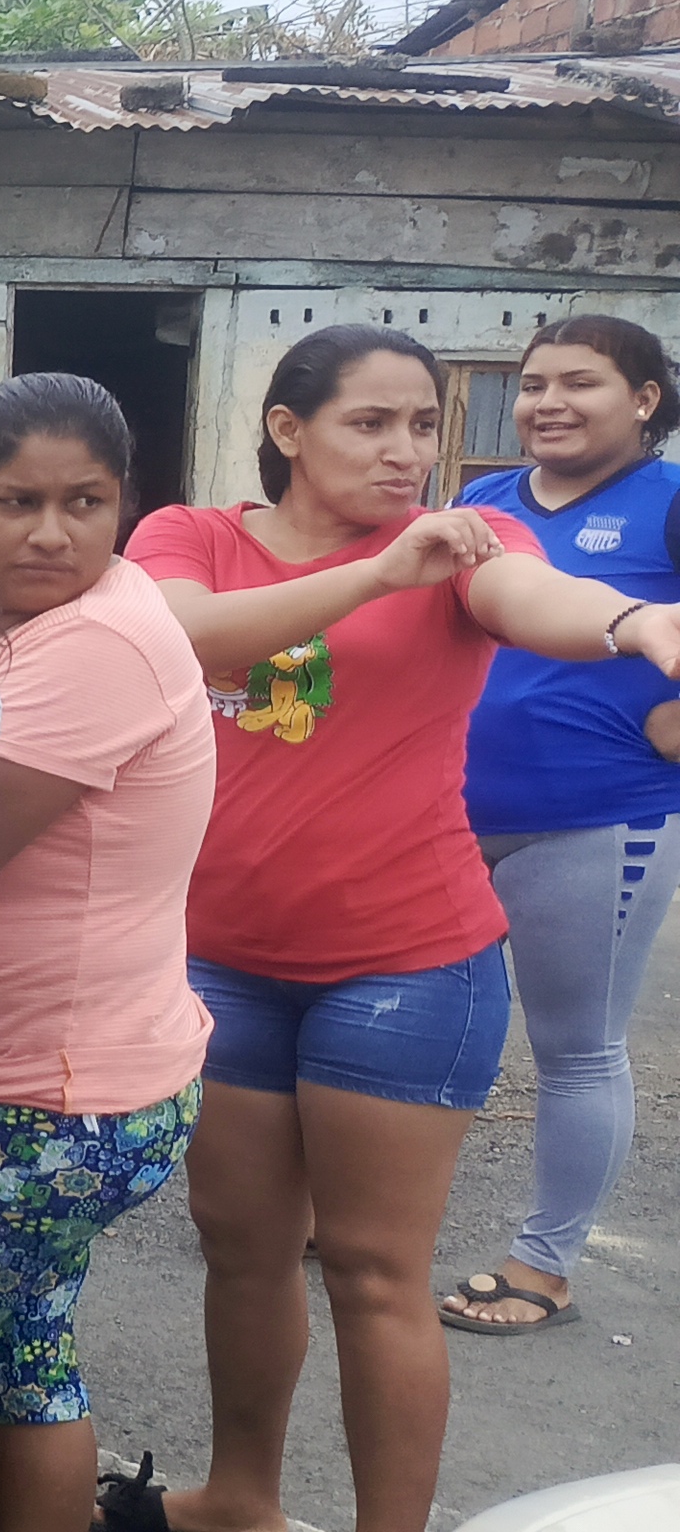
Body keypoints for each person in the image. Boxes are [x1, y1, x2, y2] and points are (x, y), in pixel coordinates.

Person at [107, 324, 680, 1532]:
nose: (406, 451)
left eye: (424, 425)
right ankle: (241, 1501)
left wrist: (634, 622)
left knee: (374, 1273)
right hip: (219, 965)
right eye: (371, 423)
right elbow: (182, 635)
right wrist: (377, 575)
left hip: (408, 968)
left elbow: (536, 595)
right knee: (244, 1255)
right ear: (287, 430)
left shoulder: (467, 541)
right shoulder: (191, 536)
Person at [0, 374, 216, 1532]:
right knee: (21, 1358)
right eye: (17, 501)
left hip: (28, 1099)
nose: (52, 532)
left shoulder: (105, 638)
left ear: (125, 498)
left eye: (84, 502)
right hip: (71, 1084)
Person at [444, 316, 680, 1339]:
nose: (547, 402)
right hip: (447, 816)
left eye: (579, 382)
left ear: (644, 399)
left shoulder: (669, 503)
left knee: (576, 1049)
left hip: (596, 820)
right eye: (534, 383)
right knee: (421, 1030)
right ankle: (357, 1214)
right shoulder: (483, 506)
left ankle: (545, 1266)